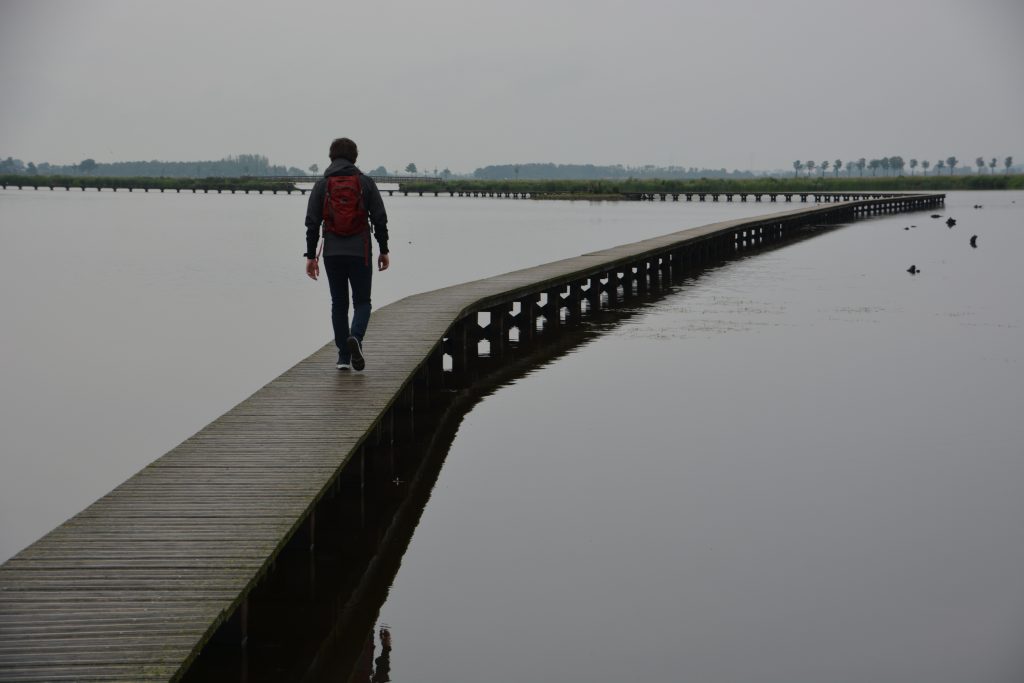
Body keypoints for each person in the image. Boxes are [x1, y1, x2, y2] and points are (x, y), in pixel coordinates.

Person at [305, 138, 390, 371]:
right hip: (360, 251)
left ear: (331, 157)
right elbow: (380, 219)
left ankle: (343, 357)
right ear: (355, 157)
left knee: (339, 303)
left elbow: (312, 222)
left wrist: (310, 256)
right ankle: (356, 339)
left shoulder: (322, 185)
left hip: (332, 252)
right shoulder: (365, 183)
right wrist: (384, 249)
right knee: (362, 302)